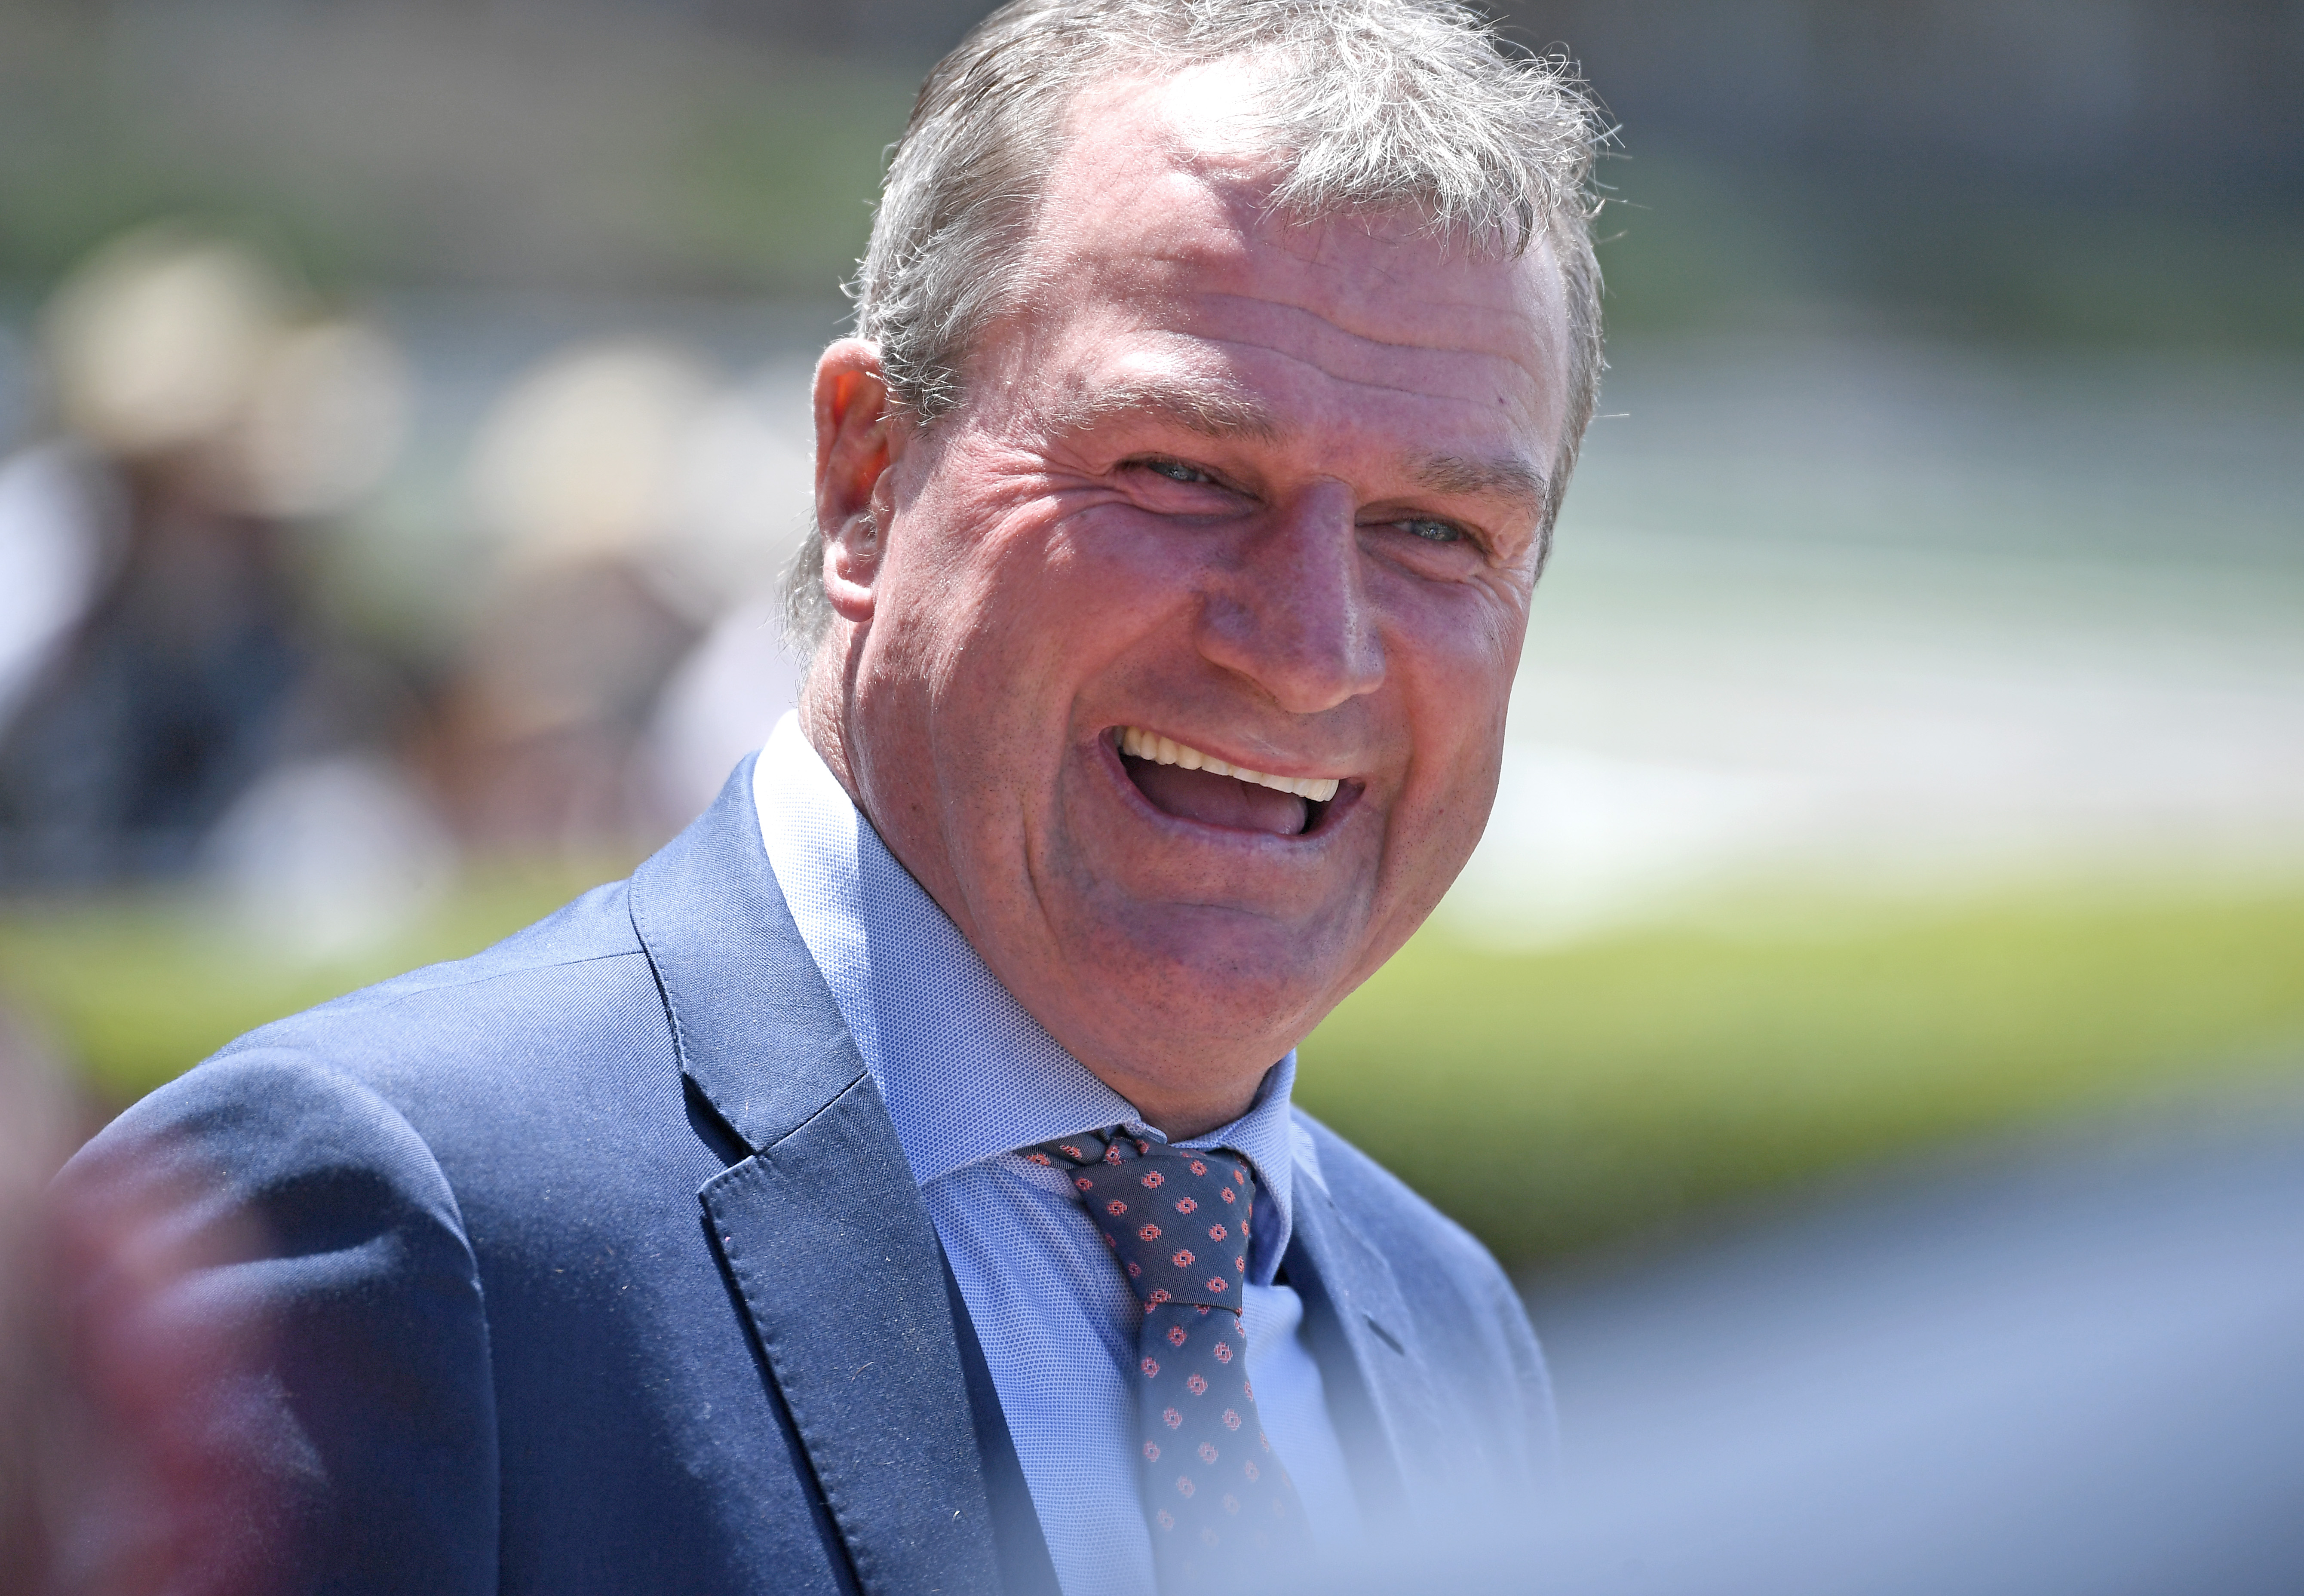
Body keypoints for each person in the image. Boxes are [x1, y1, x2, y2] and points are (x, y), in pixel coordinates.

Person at [54, 1, 1607, 1591]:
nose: (1307, 651)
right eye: (1185, 474)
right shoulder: (370, 1222)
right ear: (867, 477)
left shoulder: (1447, 1328)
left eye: (1438, 534)